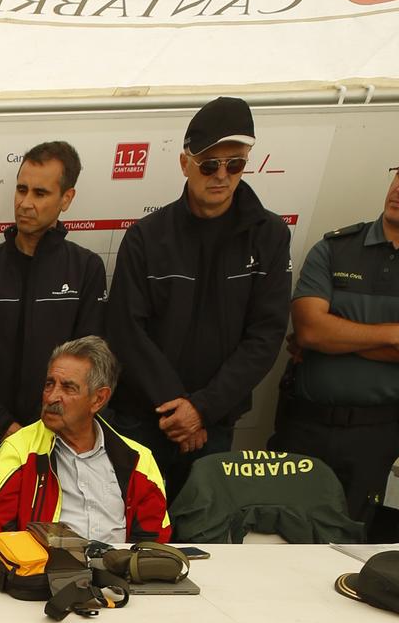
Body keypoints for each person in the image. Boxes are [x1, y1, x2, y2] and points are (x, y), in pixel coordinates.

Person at [106, 97, 292, 499]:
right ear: (185, 163)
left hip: (215, 424)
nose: (221, 176)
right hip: (144, 420)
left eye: (236, 163)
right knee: (132, 536)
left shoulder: (271, 236)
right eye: (210, 164)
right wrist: (178, 408)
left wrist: (203, 409)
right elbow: (125, 329)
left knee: (201, 539)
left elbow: (265, 335)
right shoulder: (146, 236)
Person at [274, 125, 399, 536]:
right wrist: (394, 334)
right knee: (278, 538)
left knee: (347, 547)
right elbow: (309, 330)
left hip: (376, 435)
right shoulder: (336, 247)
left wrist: (338, 336)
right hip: (304, 426)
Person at [0, 142, 106, 543]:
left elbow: (88, 363)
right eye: (21, 190)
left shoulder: (86, 269)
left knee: (50, 565)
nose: (26, 203)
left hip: (59, 448)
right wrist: (7, 429)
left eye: (40, 193)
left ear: (66, 198)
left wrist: (42, 432)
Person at [0, 337, 169, 545]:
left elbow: (154, 542)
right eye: (49, 384)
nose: (51, 397)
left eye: (68, 388)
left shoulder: (139, 460)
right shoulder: (18, 450)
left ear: (98, 399)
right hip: (44, 573)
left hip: (120, 573)